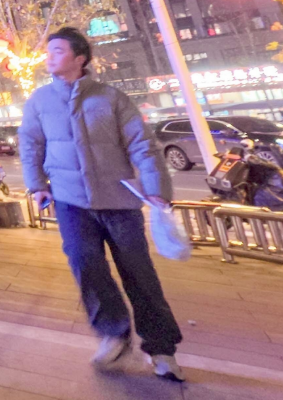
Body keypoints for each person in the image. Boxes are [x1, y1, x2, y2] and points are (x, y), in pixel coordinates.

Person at [18, 27, 184, 381]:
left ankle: (161, 348)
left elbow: (143, 144)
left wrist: (156, 188)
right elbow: (30, 145)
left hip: (118, 200)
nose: (49, 56)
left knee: (138, 272)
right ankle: (114, 334)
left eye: (58, 50)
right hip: (70, 200)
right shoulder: (40, 101)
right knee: (85, 264)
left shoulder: (111, 98)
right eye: (49, 50)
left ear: (80, 58)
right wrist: (37, 186)